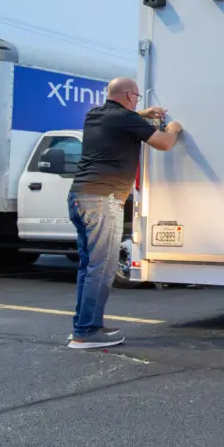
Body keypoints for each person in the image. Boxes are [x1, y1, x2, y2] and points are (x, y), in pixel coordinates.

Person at [66, 77, 183, 349]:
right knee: (102, 269)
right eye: (138, 97)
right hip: (102, 200)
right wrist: (174, 129)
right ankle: (86, 332)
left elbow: (121, 118)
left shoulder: (95, 114)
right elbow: (164, 143)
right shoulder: (124, 119)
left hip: (79, 197)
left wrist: (142, 114)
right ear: (130, 95)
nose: (138, 101)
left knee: (89, 267)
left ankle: (84, 326)